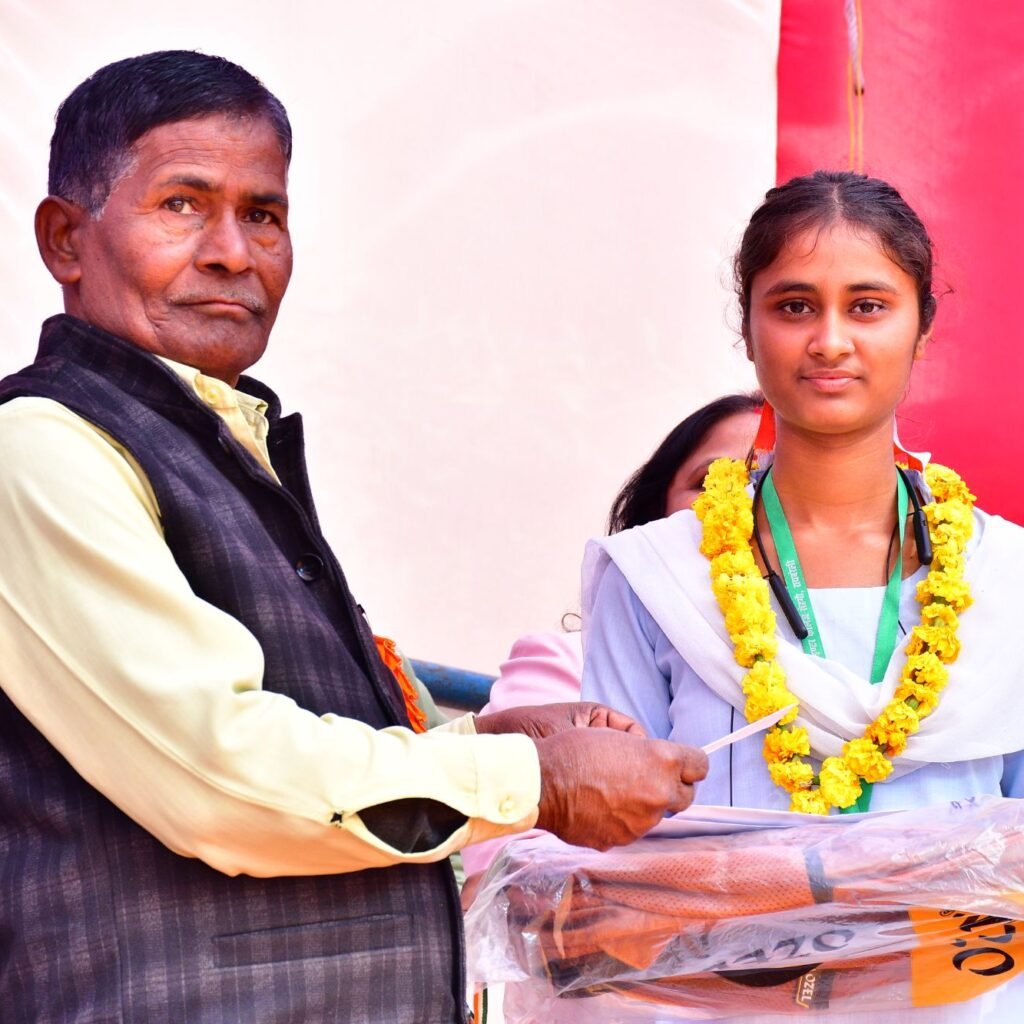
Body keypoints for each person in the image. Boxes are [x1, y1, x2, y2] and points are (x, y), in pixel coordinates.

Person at [0, 51, 708, 1023]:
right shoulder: (40, 447)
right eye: (182, 205)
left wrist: (476, 738)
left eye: (263, 214)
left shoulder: (216, 438)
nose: (232, 252)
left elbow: (285, 750)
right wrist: (531, 779)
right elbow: (218, 775)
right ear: (65, 239)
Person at [580, 170, 1024, 1019]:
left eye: (868, 306)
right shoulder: (655, 579)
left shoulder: (1008, 580)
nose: (829, 341)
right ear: (748, 328)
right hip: (709, 1005)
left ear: (923, 326)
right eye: (793, 306)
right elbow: (611, 858)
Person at [461, 392, 760, 879]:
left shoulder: (853, 679)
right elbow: (514, 863)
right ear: (655, 521)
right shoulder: (565, 662)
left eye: (770, 482)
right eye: (712, 481)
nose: (742, 504)